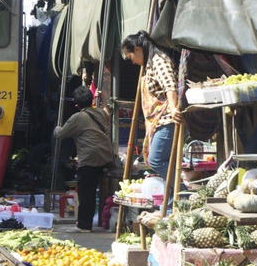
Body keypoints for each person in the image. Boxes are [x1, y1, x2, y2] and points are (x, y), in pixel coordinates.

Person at [121, 31, 183, 207]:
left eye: (130, 55)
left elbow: (170, 84)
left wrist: (172, 106)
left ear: (138, 49)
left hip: (168, 119)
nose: (132, 61)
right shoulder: (149, 63)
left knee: (156, 160)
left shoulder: (158, 60)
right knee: (164, 162)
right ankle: (171, 206)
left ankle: (184, 193)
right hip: (160, 120)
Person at [54, 85, 115, 232]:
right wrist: (104, 100)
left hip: (90, 158)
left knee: (86, 192)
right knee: (93, 189)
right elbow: (108, 112)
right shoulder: (99, 112)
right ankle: (96, 220)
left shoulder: (77, 117)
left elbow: (61, 134)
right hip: (106, 155)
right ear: (91, 100)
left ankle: (84, 225)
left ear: (76, 104)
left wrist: (56, 128)